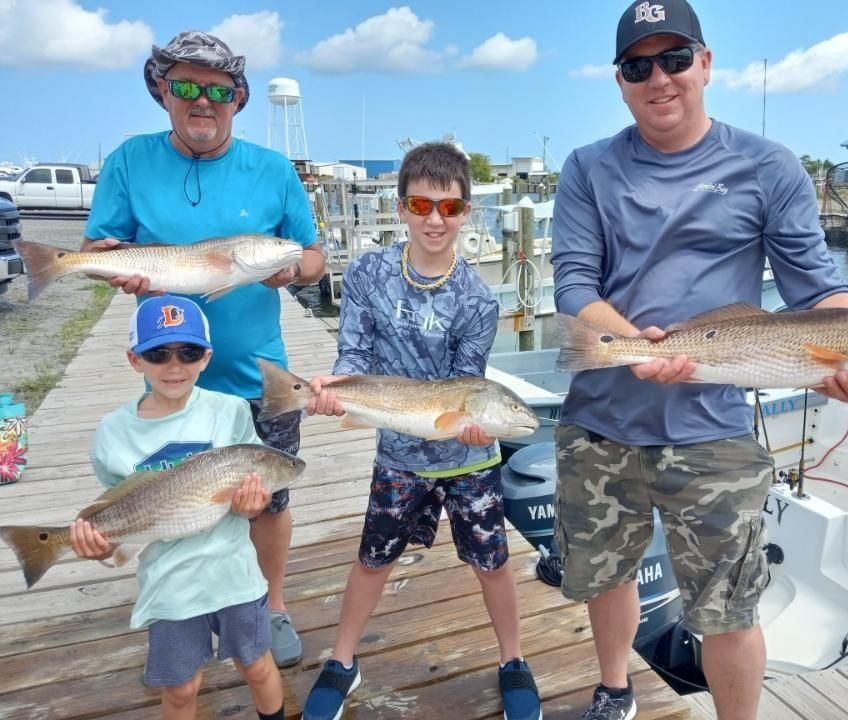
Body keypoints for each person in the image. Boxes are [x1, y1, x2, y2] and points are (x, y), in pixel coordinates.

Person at [550, 2, 848, 719]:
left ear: (705, 64)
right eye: (639, 65)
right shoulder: (588, 167)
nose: (660, 78)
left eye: (675, 58)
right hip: (602, 421)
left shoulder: (767, 166)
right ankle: (615, 689)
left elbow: (817, 286)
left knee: (730, 604)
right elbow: (575, 281)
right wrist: (635, 348)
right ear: (620, 80)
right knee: (605, 574)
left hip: (714, 428)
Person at [81, 31, 327, 667]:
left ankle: (269, 608)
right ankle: (181, 610)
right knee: (170, 499)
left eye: (218, 90)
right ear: (162, 90)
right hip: (175, 376)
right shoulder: (129, 161)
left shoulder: (273, 170)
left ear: (238, 100)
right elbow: (105, 246)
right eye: (186, 86)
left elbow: (314, 257)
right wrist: (116, 271)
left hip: (260, 375)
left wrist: (292, 270)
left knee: (269, 501)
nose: (202, 101)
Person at [298, 142, 541, 720]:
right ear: (402, 206)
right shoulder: (366, 274)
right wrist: (335, 390)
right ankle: (342, 660)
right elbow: (354, 351)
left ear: (466, 214)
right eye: (422, 204)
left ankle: (513, 660)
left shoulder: (479, 298)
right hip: (398, 455)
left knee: (494, 563)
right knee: (373, 558)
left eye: (450, 208)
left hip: (465, 461)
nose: (435, 219)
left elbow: (467, 383)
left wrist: (478, 432)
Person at [69, 295, 285, 720]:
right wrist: (96, 546)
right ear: (135, 360)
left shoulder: (231, 410)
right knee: (182, 689)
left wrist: (254, 505)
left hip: (234, 573)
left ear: (206, 358)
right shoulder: (112, 433)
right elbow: (115, 513)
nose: (174, 366)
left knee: (258, 665)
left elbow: (250, 495)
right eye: (157, 353)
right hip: (168, 584)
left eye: (187, 353)